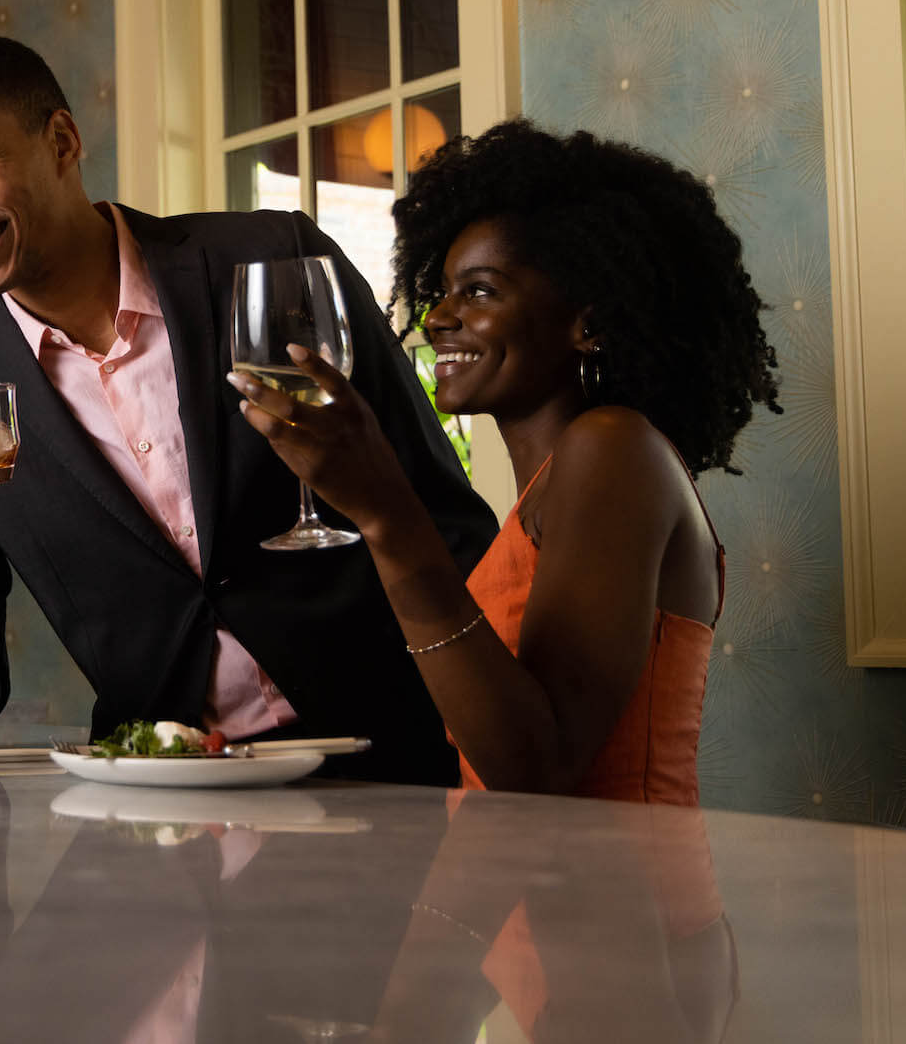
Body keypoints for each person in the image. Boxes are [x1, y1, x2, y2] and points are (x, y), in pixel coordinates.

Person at [0, 35, 497, 785]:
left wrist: (504, 744)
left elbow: (441, 512)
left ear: (62, 141)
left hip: (389, 767)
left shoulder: (272, 260)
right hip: (155, 801)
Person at [231, 119, 781, 801]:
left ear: (589, 324)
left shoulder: (614, 447)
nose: (437, 318)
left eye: (480, 290)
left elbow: (537, 770)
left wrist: (386, 513)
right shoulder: (556, 482)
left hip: (619, 872)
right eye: (444, 290)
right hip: (516, 866)